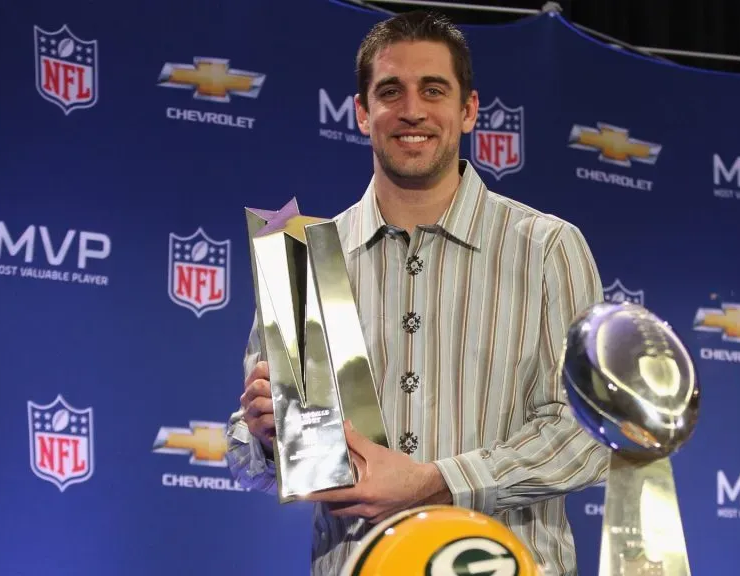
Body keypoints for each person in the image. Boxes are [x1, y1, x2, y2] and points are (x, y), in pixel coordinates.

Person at [225, 9, 609, 576]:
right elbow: (246, 454)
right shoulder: (303, 261)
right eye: (390, 91)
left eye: (434, 89)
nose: (412, 110)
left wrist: (437, 482)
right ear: (361, 112)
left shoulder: (546, 248)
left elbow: (588, 435)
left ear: (469, 109)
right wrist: (262, 434)